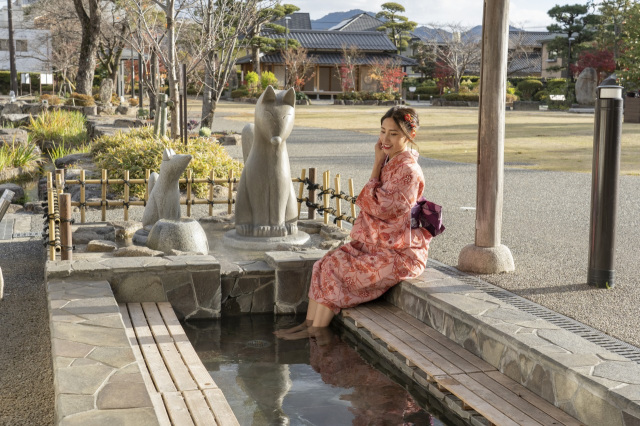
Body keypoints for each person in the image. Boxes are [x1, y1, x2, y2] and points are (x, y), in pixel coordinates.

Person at [275, 106, 432, 340]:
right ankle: (308, 324)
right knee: (324, 264)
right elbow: (370, 204)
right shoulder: (391, 162)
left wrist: (376, 166)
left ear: (410, 136)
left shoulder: (408, 171)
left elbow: (380, 208)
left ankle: (318, 332)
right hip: (380, 244)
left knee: (338, 269)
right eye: (382, 131)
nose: (385, 139)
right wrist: (379, 165)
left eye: (393, 133)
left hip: (401, 253)